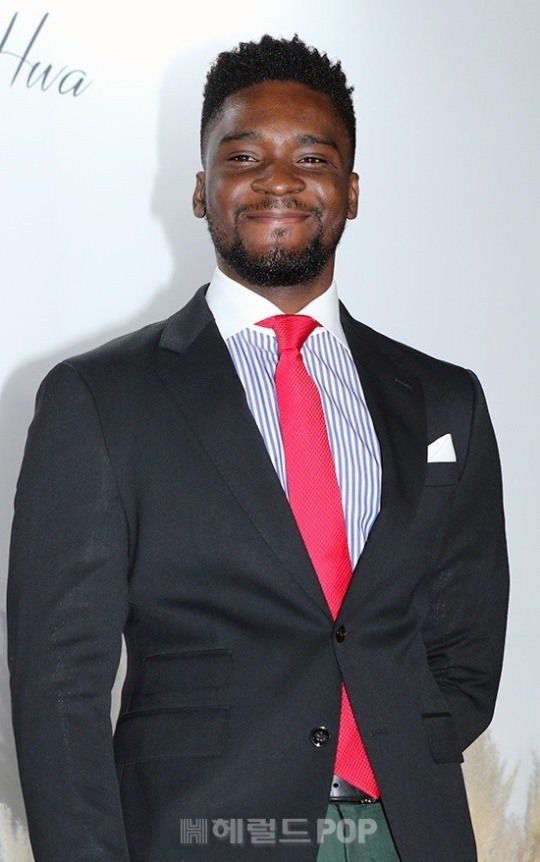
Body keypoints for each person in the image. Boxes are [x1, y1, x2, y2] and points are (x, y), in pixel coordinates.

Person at [7, 34, 509, 862]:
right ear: (201, 191)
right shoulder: (100, 399)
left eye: (312, 158)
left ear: (352, 192)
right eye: (244, 157)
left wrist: (392, 753)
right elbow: (59, 686)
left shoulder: (444, 400)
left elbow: (466, 648)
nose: (279, 180)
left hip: (405, 833)